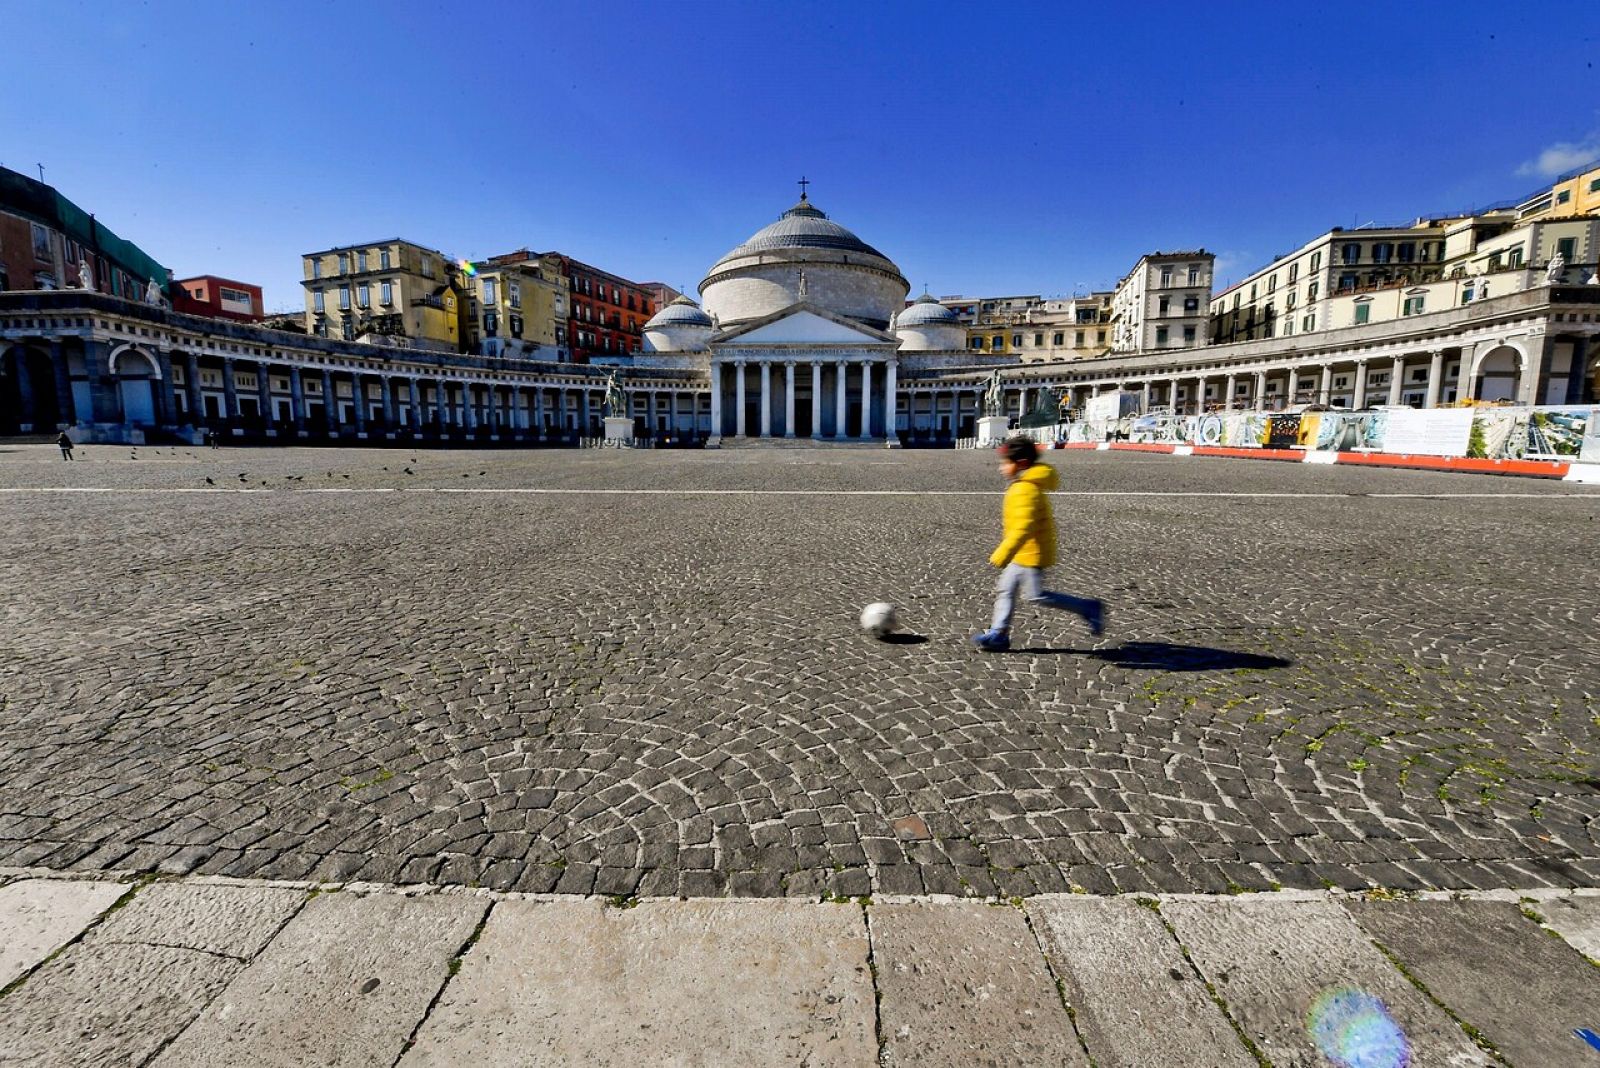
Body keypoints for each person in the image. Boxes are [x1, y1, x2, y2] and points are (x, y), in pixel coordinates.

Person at [972, 436, 1104, 652]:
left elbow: (1024, 526)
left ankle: (1088, 607)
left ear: (1021, 463)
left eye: (1005, 463)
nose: (1001, 468)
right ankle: (999, 633)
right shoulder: (1023, 485)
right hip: (1021, 553)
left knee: (1036, 595)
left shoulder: (1027, 489)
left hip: (1031, 554)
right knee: (1005, 590)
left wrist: (1003, 551)